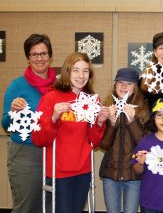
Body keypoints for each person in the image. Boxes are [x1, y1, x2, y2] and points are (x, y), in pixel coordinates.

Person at [31, 52, 109, 213]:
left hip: (83, 169)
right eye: (76, 70)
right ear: (67, 71)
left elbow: (94, 141)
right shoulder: (51, 98)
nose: (81, 76)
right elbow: (39, 139)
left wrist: (100, 122)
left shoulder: (92, 100)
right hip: (59, 171)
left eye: (85, 71)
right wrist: (53, 117)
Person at [1, 34, 56, 213]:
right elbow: (6, 125)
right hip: (26, 154)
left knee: (49, 206)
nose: (39, 58)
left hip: (53, 154)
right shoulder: (17, 86)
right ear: (28, 57)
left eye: (43, 54)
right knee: (26, 206)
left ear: (50, 56)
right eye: (34, 54)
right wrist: (12, 113)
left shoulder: (59, 85)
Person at [99, 68, 149, 213]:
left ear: (135, 88)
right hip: (111, 173)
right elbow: (103, 145)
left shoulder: (143, 111)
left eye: (129, 83)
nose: (123, 86)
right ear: (115, 86)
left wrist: (132, 121)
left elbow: (144, 144)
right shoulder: (107, 109)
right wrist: (112, 124)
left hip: (134, 175)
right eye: (120, 82)